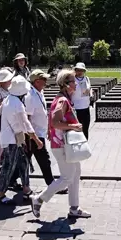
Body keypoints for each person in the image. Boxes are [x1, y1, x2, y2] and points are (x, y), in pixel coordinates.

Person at [30, 69, 91, 219]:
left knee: (75, 174)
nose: (76, 84)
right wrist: (72, 126)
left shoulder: (65, 99)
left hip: (66, 144)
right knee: (67, 178)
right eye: (73, 81)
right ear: (66, 84)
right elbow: (55, 122)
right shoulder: (62, 101)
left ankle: (74, 208)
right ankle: (38, 199)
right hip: (62, 145)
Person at [0, 75, 42, 206]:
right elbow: (26, 124)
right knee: (8, 167)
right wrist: (37, 140)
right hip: (12, 141)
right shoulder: (18, 104)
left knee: (24, 163)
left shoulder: (8, 99)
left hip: (12, 139)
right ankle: (1, 195)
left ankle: (26, 189)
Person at [25, 69, 55, 186]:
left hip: (40, 132)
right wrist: (33, 136)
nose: (46, 81)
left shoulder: (40, 92)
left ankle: (11, 180)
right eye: (43, 79)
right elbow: (27, 118)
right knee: (44, 160)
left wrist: (48, 128)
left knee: (25, 159)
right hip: (34, 134)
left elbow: (43, 113)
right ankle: (51, 184)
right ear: (37, 81)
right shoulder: (31, 96)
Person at [71, 62, 93, 140]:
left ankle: (85, 145)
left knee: (85, 129)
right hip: (76, 108)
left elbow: (90, 88)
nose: (80, 72)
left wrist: (91, 95)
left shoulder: (86, 78)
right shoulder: (72, 79)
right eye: (78, 70)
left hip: (86, 107)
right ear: (75, 70)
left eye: (82, 70)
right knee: (77, 129)